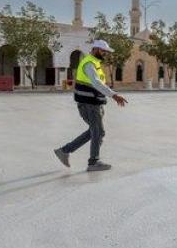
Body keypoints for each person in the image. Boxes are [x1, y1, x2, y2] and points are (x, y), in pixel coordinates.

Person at [54, 40, 128, 172]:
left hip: (93, 103)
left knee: (96, 131)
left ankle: (64, 151)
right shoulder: (89, 63)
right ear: (95, 49)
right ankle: (93, 162)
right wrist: (114, 95)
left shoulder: (94, 63)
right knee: (97, 131)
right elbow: (96, 82)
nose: (105, 53)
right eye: (103, 51)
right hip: (89, 104)